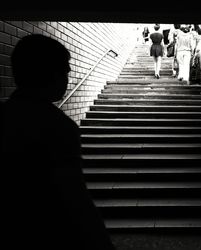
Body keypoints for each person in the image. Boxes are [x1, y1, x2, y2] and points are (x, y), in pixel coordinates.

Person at [1, 34, 116, 249]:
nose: (68, 77)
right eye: (64, 70)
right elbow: (75, 197)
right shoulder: (58, 127)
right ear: (49, 74)